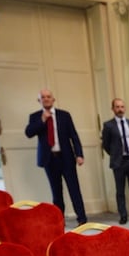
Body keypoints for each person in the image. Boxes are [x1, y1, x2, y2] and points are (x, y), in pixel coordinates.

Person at [25, 89, 87, 224]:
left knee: (74, 189)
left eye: (48, 97)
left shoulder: (64, 115)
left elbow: (74, 136)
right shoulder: (35, 116)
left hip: (66, 158)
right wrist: (42, 120)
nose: (46, 99)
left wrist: (79, 154)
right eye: (43, 97)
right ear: (39, 100)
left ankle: (82, 219)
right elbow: (29, 133)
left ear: (53, 99)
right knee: (56, 192)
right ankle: (59, 220)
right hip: (49, 159)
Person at [101, 98, 129, 224]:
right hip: (118, 162)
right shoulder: (108, 125)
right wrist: (115, 154)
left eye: (122, 107)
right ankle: (123, 215)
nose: (120, 109)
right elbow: (106, 145)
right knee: (120, 190)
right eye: (117, 107)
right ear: (113, 109)